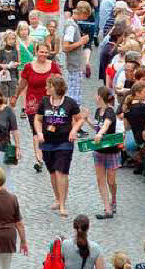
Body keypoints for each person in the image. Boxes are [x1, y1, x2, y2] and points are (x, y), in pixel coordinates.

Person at [34, 74, 82, 216]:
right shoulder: (44, 102)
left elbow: (79, 119)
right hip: (47, 142)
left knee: (61, 171)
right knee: (53, 172)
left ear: (55, 88)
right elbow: (37, 119)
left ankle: (62, 204)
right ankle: (57, 198)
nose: (46, 88)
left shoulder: (70, 103)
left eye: (48, 86)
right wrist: (39, 133)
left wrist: (73, 130)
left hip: (64, 142)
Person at [11, 42, 61, 172]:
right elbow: (22, 84)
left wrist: (61, 100)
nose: (43, 54)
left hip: (50, 103)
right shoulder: (29, 67)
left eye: (45, 52)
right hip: (33, 103)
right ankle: (39, 160)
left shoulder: (54, 67)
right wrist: (15, 97)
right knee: (36, 131)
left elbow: (60, 85)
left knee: (50, 129)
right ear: (36, 52)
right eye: (41, 52)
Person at [92, 87, 121, 219]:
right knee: (100, 179)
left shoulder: (110, 112)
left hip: (111, 150)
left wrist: (100, 133)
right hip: (99, 150)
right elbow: (97, 126)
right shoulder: (98, 111)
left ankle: (113, 199)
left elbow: (106, 125)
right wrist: (87, 120)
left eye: (96, 95)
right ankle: (107, 208)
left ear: (100, 97)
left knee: (111, 180)